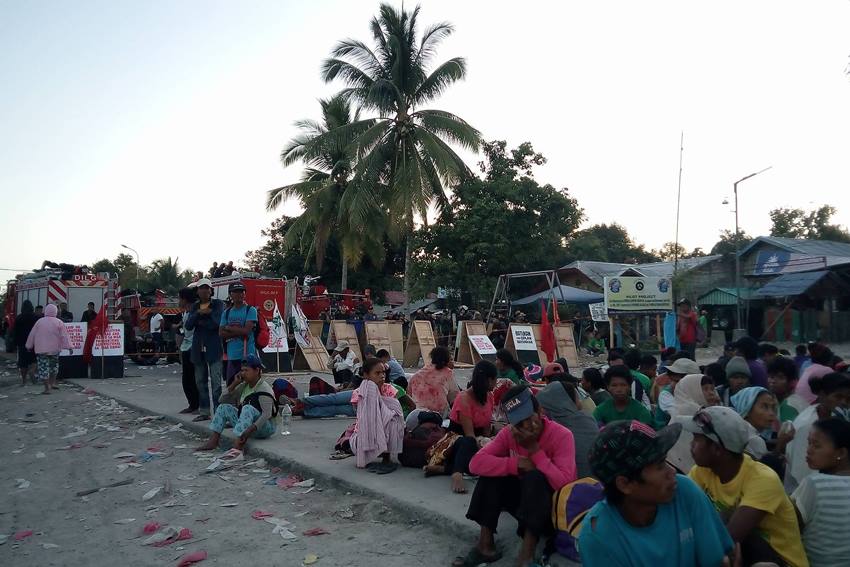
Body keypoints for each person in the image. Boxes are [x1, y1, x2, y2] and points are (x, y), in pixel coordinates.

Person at [579, 421, 734, 567]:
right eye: (660, 466)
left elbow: (717, 561)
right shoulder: (598, 538)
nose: (672, 471)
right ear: (625, 484)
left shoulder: (684, 491)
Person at [455, 384, 576, 567]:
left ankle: (526, 554)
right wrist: (515, 465)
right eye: (519, 423)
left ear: (540, 411)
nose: (526, 427)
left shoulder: (562, 435)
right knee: (492, 474)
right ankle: (485, 546)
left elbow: (564, 484)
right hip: (524, 505)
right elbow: (475, 464)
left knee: (535, 477)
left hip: (551, 511)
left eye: (529, 418)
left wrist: (535, 451)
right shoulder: (509, 434)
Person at [687, 406, 810, 567]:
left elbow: (728, 540)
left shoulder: (762, 479)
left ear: (717, 449)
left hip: (778, 561)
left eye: (697, 439)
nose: (691, 445)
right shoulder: (701, 472)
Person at [424, 360, 497, 494]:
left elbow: (487, 427)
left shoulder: (489, 396)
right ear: (488, 380)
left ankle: (444, 469)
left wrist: (491, 442)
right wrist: (484, 447)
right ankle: (456, 474)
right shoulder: (464, 398)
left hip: (478, 439)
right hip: (458, 442)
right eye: (494, 379)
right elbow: (469, 434)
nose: (496, 383)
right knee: (469, 444)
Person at [790, 418, 850, 567]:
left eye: (816, 445)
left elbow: (788, 527)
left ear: (841, 453)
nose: (809, 450)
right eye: (809, 443)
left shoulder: (815, 484)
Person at [785, 372, 850, 493]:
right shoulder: (808, 426)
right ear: (822, 395)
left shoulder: (835, 420)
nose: (844, 403)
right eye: (838, 397)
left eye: (848, 399)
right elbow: (802, 475)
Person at [196, 354, 276, 451]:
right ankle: (214, 441)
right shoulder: (244, 386)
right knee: (223, 407)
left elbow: (267, 414)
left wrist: (249, 429)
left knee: (248, 408)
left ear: (257, 371)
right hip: (247, 427)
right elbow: (222, 400)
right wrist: (234, 384)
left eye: (247, 370)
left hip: (264, 428)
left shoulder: (264, 388)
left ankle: (238, 446)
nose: (243, 373)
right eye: (242, 370)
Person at [348, 357, 405, 472]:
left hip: (385, 429)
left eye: (383, 372)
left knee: (392, 421)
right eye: (377, 373)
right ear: (366, 375)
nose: (382, 376)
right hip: (364, 434)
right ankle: (369, 453)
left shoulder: (390, 389)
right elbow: (364, 416)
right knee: (378, 415)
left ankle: (386, 457)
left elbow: (394, 411)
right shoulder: (359, 392)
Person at [537, 377, 598, 478]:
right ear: (567, 401)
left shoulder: (549, 428)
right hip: (599, 485)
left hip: (569, 488)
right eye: (577, 398)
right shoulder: (586, 419)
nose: (580, 402)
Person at [185, 278, 225, 423]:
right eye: (202, 288)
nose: (204, 290)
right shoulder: (195, 306)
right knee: (200, 383)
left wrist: (201, 318)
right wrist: (201, 314)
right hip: (198, 349)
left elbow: (218, 322)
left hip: (214, 349)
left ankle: (219, 412)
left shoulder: (218, 304)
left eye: (207, 288)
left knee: (216, 384)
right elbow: (188, 325)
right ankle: (205, 411)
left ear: (211, 290)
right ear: (198, 291)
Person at [25, 304, 72, 394]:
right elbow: (64, 336)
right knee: (54, 368)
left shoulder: (39, 322)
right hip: (55, 350)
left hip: (41, 350)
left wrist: (28, 346)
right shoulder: (59, 322)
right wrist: (69, 347)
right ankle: (52, 383)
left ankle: (47, 388)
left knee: (43, 368)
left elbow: (32, 334)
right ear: (56, 311)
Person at [219, 281, 258, 386]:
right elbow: (221, 333)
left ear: (245, 294)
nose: (239, 295)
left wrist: (229, 328)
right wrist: (239, 331)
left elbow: (247, 331)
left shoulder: (251, 310)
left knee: (248, 387)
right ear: (230, 294)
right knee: (232, 387)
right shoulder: (226, 313)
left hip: (248, 357)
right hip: (232, 356)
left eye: (241, 292)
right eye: (235, 292)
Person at [407, 346, 458, 415]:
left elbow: (409, 395)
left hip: (417, 413)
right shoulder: (447, 373)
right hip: (439, 414)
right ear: (446, 360)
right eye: (451, 359)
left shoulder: (418, 374)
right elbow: (455, 398)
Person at [653, 357, 701, 425]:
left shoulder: (698, 391)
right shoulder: (665, 394)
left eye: (678, 381)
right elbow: (678, 414)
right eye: (672, 380)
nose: (673, 384)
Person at [177, 287, 199, 414]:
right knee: (187, 379)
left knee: (193, 378)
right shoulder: (186, 312)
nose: (178, 301)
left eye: (179, 298)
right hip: (186, 347)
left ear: (185, 299)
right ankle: (192, 404)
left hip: (193, 348)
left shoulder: (193, 312)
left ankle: (197, 405)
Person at [768, 356, 809, 423]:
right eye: (771, 376)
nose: (773, 381)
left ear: (791, 382)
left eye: (780, 377)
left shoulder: (788, 405)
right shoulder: (796, 399)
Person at [13, 300, 38, 385]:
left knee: (23, 362)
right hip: (33, 342)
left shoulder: (19, 317)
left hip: (22, 343)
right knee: (34, 359)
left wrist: (15, 343)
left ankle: (24, 381)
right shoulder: (35, 317)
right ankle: (32, 371)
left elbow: (15, 331)